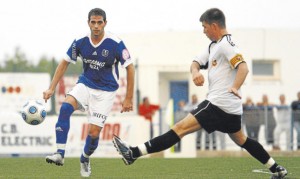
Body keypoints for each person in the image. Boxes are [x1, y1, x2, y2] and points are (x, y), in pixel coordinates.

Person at [112, 8, 287, 178]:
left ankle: (133, 153)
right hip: (231, 111)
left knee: (179, 129)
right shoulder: (213, 47)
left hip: (218, 104)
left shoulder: (227, 45)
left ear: (214, 26)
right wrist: (196, 72)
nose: (203, 31)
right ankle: (276, 168)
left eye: (204, 27)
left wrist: (235, 86)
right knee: (242, 140)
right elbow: (195, 62)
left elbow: (243, 68)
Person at [43, 8, 135, 177]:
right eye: (93, 22)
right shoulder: (80, 41)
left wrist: (128, 98)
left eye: (100, 22)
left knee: (93, 134)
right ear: (88, 23)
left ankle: (85, 158)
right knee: (65, 108)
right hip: (86, 84)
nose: (96, 26)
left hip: (106, 92)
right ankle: (59, 154)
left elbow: (130, 68)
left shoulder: (115, 43)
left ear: (105, 23)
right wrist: (51, 87)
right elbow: (64, 63)